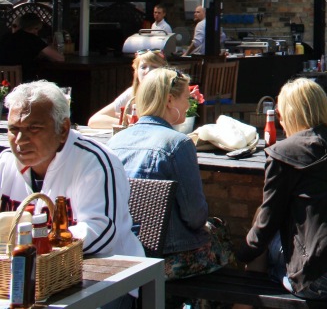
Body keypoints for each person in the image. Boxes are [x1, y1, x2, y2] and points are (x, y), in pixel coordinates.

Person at [235, 79, 327, 300]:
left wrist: (240, 256)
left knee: (262, 230)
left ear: (288, 114)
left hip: (325, 281)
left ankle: (242, 304)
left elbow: (266, 224)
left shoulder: (282, 153)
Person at [108, 68, 231, 278]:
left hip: (125, 253)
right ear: (169, 100)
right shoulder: (178, 144)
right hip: (167, 256)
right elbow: (195, 217)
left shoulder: (114, 141)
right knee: (222, 238)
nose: (188, 104)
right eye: (185, 98)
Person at [0, 80, 144, 257]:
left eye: (34, 128)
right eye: (14, 129)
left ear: (63, 129)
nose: (21, 139)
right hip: (25, 273)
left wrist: (38, 244)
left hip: (103, 273)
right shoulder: (5, 161)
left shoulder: (94, 161)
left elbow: (100, 233)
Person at [88, 49, 169, 128]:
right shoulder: (132, 92)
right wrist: (128, 123)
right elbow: (94, 120)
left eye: (154, 67)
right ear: (136, 72)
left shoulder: (172, 93)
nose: (148, 71)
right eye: (143, 67)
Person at [0, 13, 64, 79]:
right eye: (37, 29)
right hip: (24, 82)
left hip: (3, 82)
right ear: (34, 27)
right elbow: (59, 58)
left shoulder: (6, 37)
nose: (37, 33)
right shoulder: (33, 39)